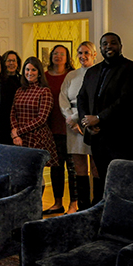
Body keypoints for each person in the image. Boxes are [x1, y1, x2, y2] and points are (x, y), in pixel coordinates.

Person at [78, 32, 133, 195]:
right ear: (100, 48)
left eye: (113, 43)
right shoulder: (92, 72)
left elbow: (125, 100)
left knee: (125, 182)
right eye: (105, 44)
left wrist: (98, 119)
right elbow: (81, 97)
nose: (108, 46)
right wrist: (87, 122)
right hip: (98, 138)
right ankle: (106, 214)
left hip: (123, 137)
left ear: (120, 46)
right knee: (105, 180)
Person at [59, 41, 99, 210]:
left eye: (86, 53)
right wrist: (70, 118)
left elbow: (94, 100)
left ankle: (97, 205)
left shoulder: (99, 73)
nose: (83, 56)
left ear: (94, 54)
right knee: (79, 167)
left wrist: (77, 117)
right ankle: (83, 207)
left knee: (96, 167)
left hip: (91, 124)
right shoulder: (71, 76)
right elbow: (63, 98)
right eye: (80, 53)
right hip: (73, 127)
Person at [43, 45, 77, 215]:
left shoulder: (73, 75)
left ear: (67, 57)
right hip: (51, 127)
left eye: (62, 54)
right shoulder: (45, 76)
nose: (58, 56)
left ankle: (74, 203)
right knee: (56, 167)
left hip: (70, 127)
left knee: (72, 168)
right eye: (55, 53)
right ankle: (57, 203)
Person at [10, 56, 58, 168]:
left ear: (39, 73)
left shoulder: (44, 91)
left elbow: (41, 119)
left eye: (33, 70)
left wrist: (19, 131)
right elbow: (13, 113)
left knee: (35, 172)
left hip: (36, 137)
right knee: (21, 171)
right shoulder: (20, 90)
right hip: (19, 138)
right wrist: (15, 134)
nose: (29, 73)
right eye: (27, 69)